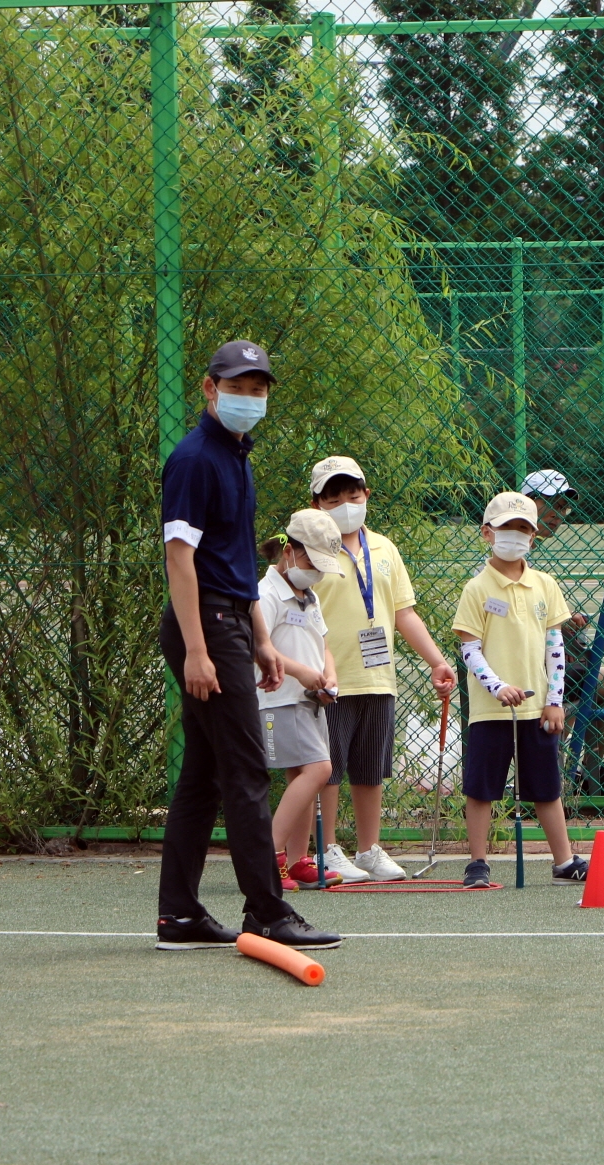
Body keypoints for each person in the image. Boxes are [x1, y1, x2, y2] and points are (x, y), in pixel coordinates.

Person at [155, 339, 341, 951]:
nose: (248, 398)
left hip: (232, 619)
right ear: (210, 389)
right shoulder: (194, 459)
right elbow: (179, 560)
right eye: (236, 387)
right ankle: (266, 911)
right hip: (205, 625)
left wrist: (261, 638)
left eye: (257, 389)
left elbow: (236, 562)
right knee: (244, 770)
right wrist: (197, 649)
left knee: (204, 775)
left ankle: (180, 916)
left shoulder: (237, 457)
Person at [308, 456, 458, 883]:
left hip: (377, 678)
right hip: (327, 679)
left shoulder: (384, 548)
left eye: (352, 495)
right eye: (333, 499)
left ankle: (369, 850)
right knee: (327, 769)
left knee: (371, 768)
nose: (345, 505)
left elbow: (403, 613)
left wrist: (437, 661)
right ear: (316, 504)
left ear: (366, 495)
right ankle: (327, 850)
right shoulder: (308, 551)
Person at [451, 492, 590, 889]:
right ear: (487, 533)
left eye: (523, 529)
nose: (515, 535)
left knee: (546, 786)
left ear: (533, 536)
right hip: (491, 709)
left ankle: (563, 861)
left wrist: (554, 701)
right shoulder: (476, 589)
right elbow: (470, 649)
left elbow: (555, 648)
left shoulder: (545, 585)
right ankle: (477, 862)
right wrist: (497, 687)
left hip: (536, 709)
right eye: (506, 528)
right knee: (481, 788)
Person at [519, 469, 604, 797]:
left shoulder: (530, 553)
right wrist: (555, 624)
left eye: (563, 508)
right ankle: (555, 776)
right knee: (582, 693)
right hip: (518, 666)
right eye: (551, 504)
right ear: (528, 502)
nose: (558, 515)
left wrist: (564, 622)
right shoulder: (507, 549)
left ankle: (588, 774)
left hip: (547, 659)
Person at [256, 508, 345, 890]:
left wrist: (329, 676)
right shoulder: (265, 594)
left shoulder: (309, 597)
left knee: (303, 774)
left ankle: (297, 860)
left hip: (310, 700)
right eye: (312, 564)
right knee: (319, 770)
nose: (317, 574)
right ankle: (268, 855)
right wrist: (301, 673)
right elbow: (257, 648)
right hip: (280, 700)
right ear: (289, 552)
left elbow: (323, 646)